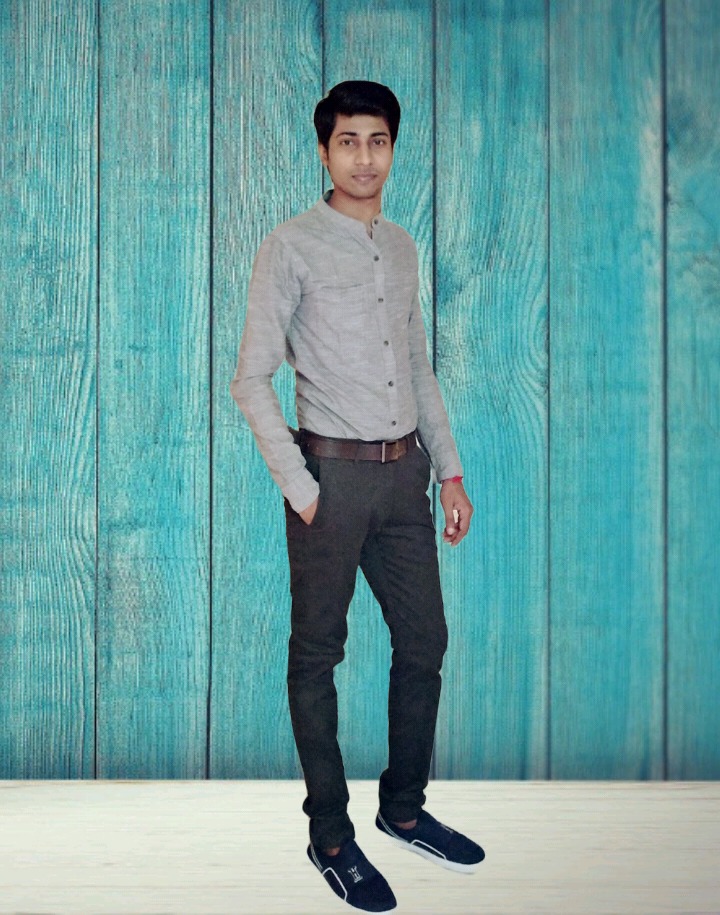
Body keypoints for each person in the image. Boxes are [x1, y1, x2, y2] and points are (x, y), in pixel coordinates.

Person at [230, 80, 484, 913]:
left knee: (425, 639)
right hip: (330, 481)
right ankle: (332, 836)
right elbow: (250, 379)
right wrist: (302, 488)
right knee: (318, 653)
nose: (364, 157)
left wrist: (448, 470)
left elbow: (416, 368)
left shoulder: (401, 248)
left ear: (392, 149)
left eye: (377, 141)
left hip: (406, 478)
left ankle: (403, 809)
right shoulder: (290, 246)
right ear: (324, 151)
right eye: (348, 141)